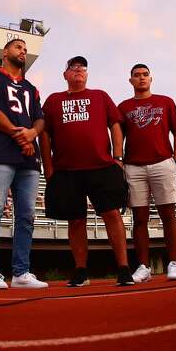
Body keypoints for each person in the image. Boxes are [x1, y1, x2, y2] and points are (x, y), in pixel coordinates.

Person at [40, 56, 135, 286]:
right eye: (73, 67)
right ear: (65, 75)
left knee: (112, 214)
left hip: (102, 166)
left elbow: (115, 124)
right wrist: (48, 166)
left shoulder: (100, 96)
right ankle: (81, 271)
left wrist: (118, 157)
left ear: (87, 74)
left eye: (82, 67)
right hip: (67, 170)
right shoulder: (54, 100)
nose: (78, 70)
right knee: (75, 221)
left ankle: (123, 269)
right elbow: (44, 133)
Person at [0, 38, 49, 289]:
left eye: (25, 50)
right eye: (19, 47)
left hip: (29, 158)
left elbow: (40, 119)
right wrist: (21, 135)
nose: (23, 52)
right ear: (5, 52)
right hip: (1, 153)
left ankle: (21, 272)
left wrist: (32, 134)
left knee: (27, 215)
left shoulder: (31, 88)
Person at [117, 63, 176, 282]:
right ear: (131, 81)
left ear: (151, 78)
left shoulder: (165, 102)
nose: (141, 78)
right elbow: (119, 135)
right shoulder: (124, 106)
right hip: (134, 166)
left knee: (168, 214)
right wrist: (119, 160)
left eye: (145, 74)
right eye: (136, 75)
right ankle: (144, 267)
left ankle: (173, 263)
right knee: (139, 218)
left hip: (162, 162)